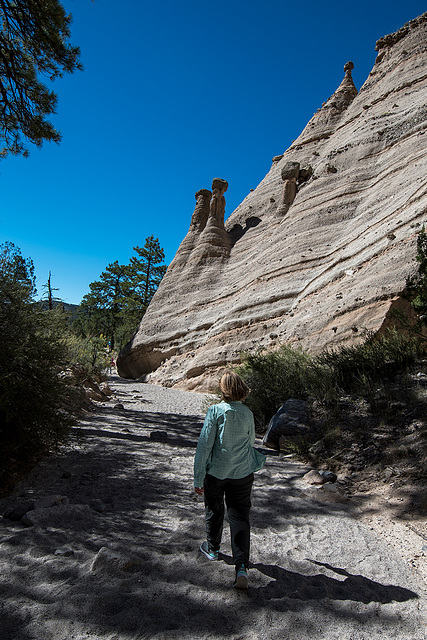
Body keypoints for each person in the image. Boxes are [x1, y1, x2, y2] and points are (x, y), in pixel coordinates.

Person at [194, 371, 266, 589]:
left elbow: (205, 445)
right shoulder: (247, 413)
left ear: (222, 389)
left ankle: (213, 549)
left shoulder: (215, 411)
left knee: (214, 510)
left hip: (216, 473)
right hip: (242, 473)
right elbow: (251, 439)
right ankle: (241, 566)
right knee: (239, 516)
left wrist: (198, 476)